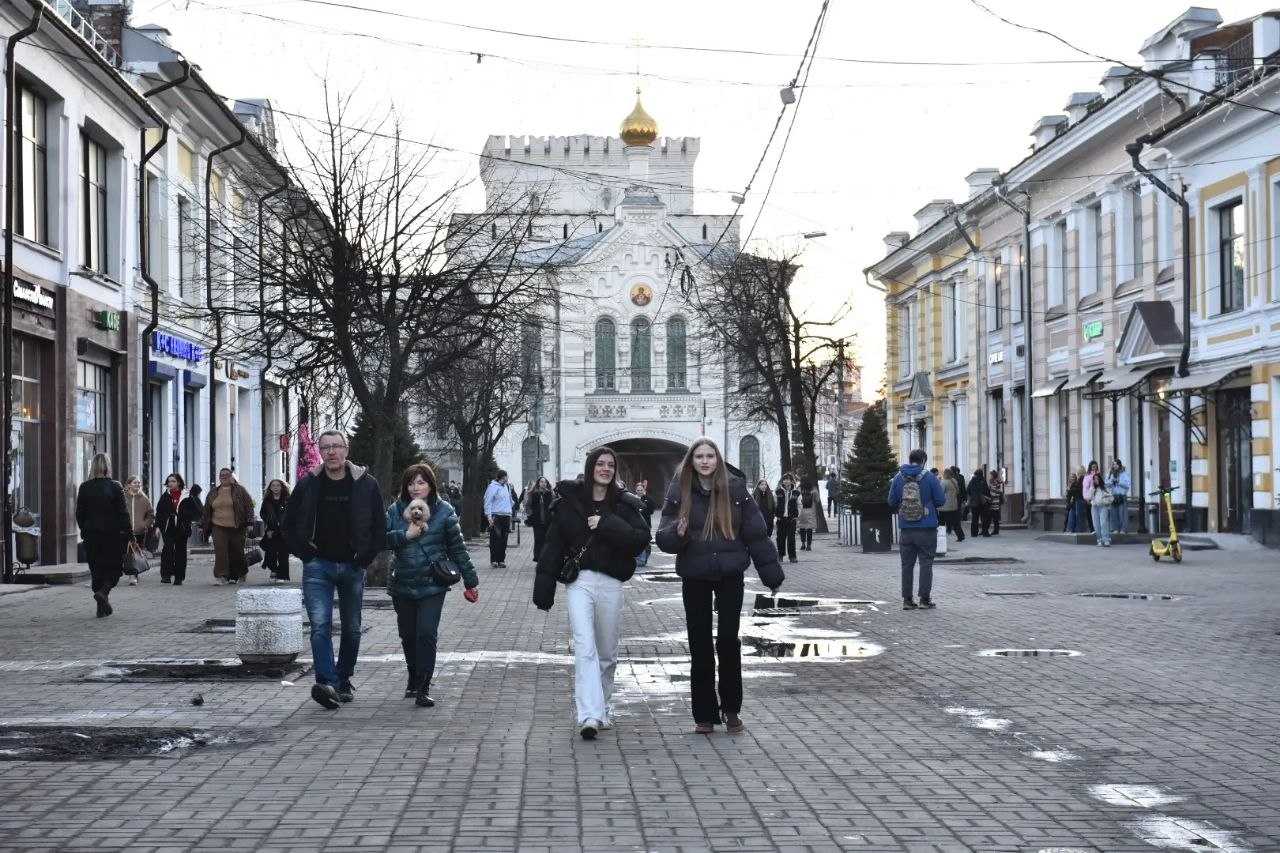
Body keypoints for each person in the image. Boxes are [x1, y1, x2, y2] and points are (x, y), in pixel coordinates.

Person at [656, 438, 784, 734]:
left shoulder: (736, 490)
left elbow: (756, 534)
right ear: (691, 461)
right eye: (699, 456)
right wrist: (677, 533)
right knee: (699, 645)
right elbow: (663, 537)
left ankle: (731, 709)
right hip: (694, 575)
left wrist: (772, 576)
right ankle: (704, 714)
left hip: (730, 575)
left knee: (728, 642)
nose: (704, 461)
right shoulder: (679, 490)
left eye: (709, 456)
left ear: (717, 459)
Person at [533, 447, 650, 739]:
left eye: (611, 465)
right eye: (600, 464)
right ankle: (589, 714)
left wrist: (608, 524)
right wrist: (544, 589)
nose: (606, 469)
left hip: (611, 581)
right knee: (585, 647)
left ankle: (603, 707)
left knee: (607, 652)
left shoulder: (624, 504)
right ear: (590, 467)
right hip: (580, 581)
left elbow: (640, 541)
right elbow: (552, 546)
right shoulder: (568, 503)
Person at [286, 429, 386, 709]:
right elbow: (288, 524)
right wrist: (305, 554)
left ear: (346, 449)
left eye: (336, 447)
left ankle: (343, 680)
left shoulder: (366, 484)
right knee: (320, 626)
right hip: (319, 567)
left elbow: (380, 527)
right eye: (326, 447)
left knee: (352, 628)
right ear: (320, 452)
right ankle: (327, 683)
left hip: (353, 566)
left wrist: (364, 557)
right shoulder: (308, 484)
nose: (331, 452)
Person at [386, 462, 479, 707]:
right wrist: (404, 536)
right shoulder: (396, 511)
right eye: (411, 483)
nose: (415, 488)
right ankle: (413, 675)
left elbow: (458, 549)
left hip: (432, 583)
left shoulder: (444, 511)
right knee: (408, 635)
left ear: (430, 485)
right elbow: (381, 540)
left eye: (421, 482)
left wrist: (471, 581)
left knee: (426, 633)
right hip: (402, 581)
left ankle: (424, 686)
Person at [888, 449, 947, 610]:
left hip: (906, 529)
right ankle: (924, 600)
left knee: (906, 565)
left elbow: (891, 501)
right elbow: (941, 500)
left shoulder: (898, 477)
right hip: (926, 528)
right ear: (923, 461)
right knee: (926, 564)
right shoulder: (929, 477)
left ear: (910, 459)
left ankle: (907, 600)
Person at [76, 453, 131, 618]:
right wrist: (129, 533)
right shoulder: (115, 486)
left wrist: (84, 530)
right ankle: (104, 592)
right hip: (112, 535)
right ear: (108, 466)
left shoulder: (84, 487)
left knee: (97, 570)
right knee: (114, 569)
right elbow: (123, 512)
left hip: (91, 535)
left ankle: (101, 606)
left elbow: (80, 513)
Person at [200, 468, 254, 585]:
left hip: (237, 526)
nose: (224, 477)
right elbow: (206, 510)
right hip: (218, 526)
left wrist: (250, 523)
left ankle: (242, 572)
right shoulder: (213, 492)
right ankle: (221, 576)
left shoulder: (240, 490)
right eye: (221, 475)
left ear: (231, 477)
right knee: (220, 551)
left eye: (227, 475)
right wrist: (201, 525)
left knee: (237, 552)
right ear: (219, 477)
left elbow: (249, 506)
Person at [155, 473, 198, 585]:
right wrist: (158, 527)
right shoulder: (165, 496)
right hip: (167, 527)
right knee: (168, 549)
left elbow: (196, 511)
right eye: (169, 481)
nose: (170, 484)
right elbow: (159, 512)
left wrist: (185, 517)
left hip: (182, 527)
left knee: (180, 551)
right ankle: (166, 575)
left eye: (173, 481)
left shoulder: (187, 495)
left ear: (179, 482)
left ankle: (179, 577)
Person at [123, 476, 155, 586]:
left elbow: (151, 515)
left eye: (138, 483)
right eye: (134, 482)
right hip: (124, 531)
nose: (137, 484)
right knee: (125, 553)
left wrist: (144, 525)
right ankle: (127, 571)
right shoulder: (123, 498)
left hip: (139, 531)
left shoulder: (144, 499)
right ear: (128, 485)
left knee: (135, 553)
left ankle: (133, 575)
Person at [260, 477, 292, 583]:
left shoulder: (288, 499)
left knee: (283, 553)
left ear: (282, 487)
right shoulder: (267, 501)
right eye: (273, 485)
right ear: (270, 488)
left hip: (284, 531)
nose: (276, 487)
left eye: (278, 485)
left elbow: (292, 513)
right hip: (271, 530)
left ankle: (282, 575)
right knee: (271, 552)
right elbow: (262, 513)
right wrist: (268, 524)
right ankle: (273, 570)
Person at [483, 470, 514, 567]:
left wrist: (511, 505)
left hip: (506, 515)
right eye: (506, 476)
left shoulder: (507, 486)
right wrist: (489, 516)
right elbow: (488, 501)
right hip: (496, 515)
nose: (507, 478)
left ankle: (501, 560)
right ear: (503, 477)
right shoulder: (492, 487)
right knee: (496, 538)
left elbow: (509, 499)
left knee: (504, 538)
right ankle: (494, 560)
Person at [524, 477, 555, 562]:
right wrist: (531, 514)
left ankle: (547, 558)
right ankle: (538, 558)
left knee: (547, 540)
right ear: (538, 483)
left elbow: (554, 505)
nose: (543, 483)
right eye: (541, 482)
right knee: (538, 540)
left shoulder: (550, 494)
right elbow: (527, 506)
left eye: (545, 482)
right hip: (537, 521)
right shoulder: (533, 494)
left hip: (548, 521)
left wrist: (552, 514)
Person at [1083, 460, 1111, 547]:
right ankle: (1099, 539)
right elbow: (1087, 495)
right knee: (1096, 524)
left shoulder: (1104, 488)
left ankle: (1106, 539)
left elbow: (1110, 497)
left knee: (1103, 523)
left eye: (1097, 479)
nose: (1095, 480)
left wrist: (1104, 502)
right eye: (1094, 479)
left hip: (1103, 506)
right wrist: (1092, 489)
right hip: (1094, 507)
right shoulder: (1091, 485)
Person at [774, 473, 800, 564]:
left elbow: (799, 504)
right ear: (782, 481)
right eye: (785, 479)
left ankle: (792, 556)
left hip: (791, 519)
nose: (786, 481)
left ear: (791, 481)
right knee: (780, 538)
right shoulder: (778, 492)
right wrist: (776, 516)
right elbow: (775, 504)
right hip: (781, 519)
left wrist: (797, 516)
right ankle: (780, 555)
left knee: (791, 538)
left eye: (788, 479)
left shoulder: (796, 492)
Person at [633, 481, 657, 567]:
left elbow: (651, 510)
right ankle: (639, 559)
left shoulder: (648, 499)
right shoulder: (632, 499)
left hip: (646, 524)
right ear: (635, 490)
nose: (639, 492)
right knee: (636, 542)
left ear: (644, 490)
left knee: (645, 542)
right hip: (635, 524)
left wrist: (642, 510)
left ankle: (644, 558)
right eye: (638, 490)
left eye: (641, 490)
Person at [939, 468, 965, 542]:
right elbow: (957, 492)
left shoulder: (944, 482)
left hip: (944, 506)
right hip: (953, 505)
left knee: (941, 523)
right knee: (955, 522)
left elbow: (940, 493)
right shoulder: (954, 481)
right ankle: (961, 535)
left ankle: (941, 537)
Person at [1107, 459, 1132, 535]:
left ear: (1120, 465)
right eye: (1114, 464)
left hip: (1122, 495)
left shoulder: (1124, 473)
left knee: (1122, 513)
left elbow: (1127, 484)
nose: (1115, 466)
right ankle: (1115, 528)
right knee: (1113, 513)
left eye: (1116, 464)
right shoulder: (1110, 474)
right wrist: (1112, 481)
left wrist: (1118, 481)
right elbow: (1106, 483)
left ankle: (1123, 529)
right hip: (1113, 495)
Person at [796, 477, 818, 551]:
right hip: (811, 509)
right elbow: (817, 499)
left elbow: (795, 499)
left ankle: (803, 544)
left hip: (801, 509)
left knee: (802, 527)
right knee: (809, 528)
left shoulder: (798, 489)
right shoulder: (813, 489)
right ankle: (809, 545)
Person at [967, 469, 990, 538]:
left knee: (974, 518)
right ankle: (985, 532)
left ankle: (974, 533)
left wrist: (972, 495)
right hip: (982, 502)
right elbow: (986, 491)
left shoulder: (972, 481)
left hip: (974, 502)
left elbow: (968, 490)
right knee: (984, 518)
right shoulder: (983, 480)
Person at [986, 471, 1005, 536]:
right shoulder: (998, 481)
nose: (990, 476)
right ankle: (995, 530)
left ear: (993, 475)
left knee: (993, 517)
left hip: (993, 501)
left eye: (991, 475)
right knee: (995, 517)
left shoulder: (994, 482)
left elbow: (995, 492)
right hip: (996, 501)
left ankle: (995, 530)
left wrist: (989, 494)